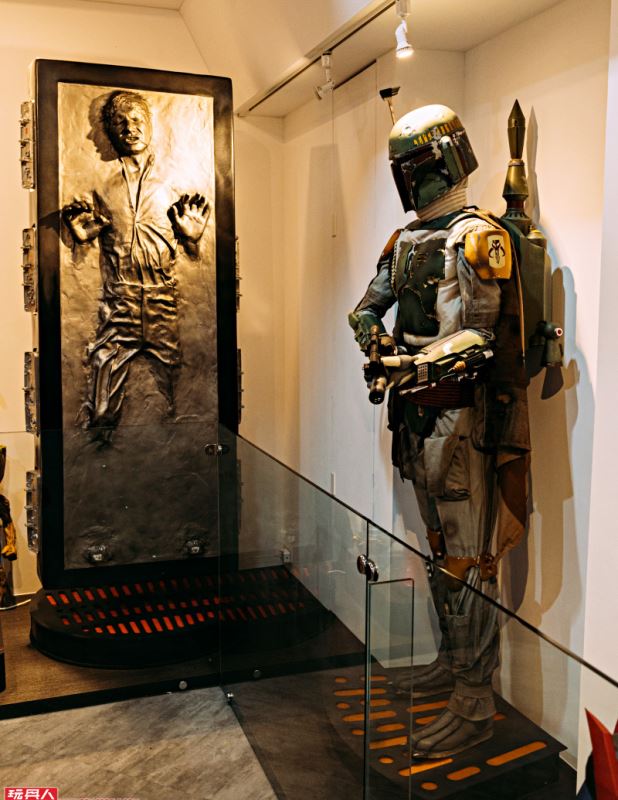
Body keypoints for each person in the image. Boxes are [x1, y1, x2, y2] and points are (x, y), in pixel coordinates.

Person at [349, 104, 530, 759]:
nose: (409, 178)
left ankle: (475, 700)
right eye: (402, 167)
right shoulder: (405, 242)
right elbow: (365, 309)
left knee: (469, 561)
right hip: (414, 417)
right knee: (436, 551)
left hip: (459, 420)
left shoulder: (477, 238)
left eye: (416, 165)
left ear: (446, 160)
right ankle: (452, 667)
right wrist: (376, 344)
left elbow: (480, 337)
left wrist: (410, 364)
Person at [62, 90, 209, 437]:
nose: (130, 128)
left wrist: (192, 238)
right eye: (121, 122)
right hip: (121, 305)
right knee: (100, 411)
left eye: (137, 120)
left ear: (150, 124)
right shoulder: (101, 188)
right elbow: (85, 242)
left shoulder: (174, 183)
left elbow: (196, 256)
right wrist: (81, 239)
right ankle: (98, 459)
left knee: (184, 402)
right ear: (111, 131)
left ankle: (178, 463)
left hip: (162, 302)